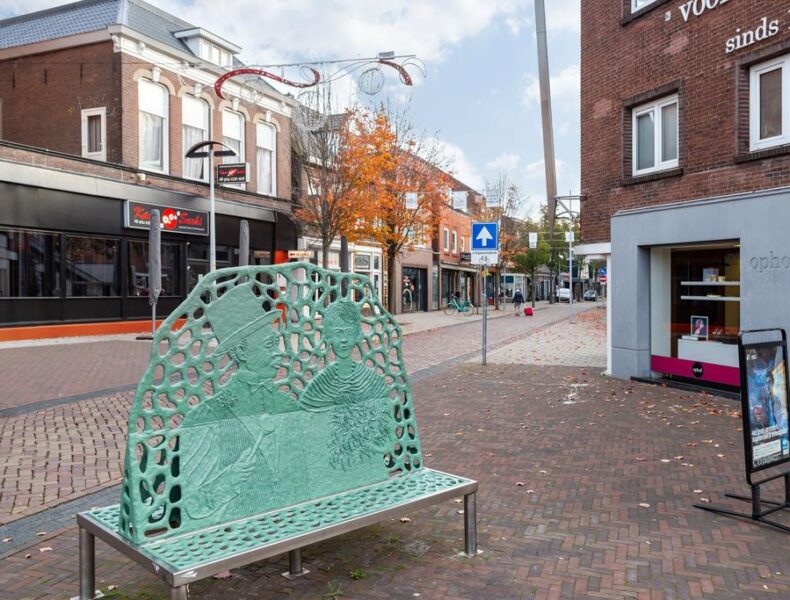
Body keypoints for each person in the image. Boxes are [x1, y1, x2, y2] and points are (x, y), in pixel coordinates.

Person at [179, 283, 301, 526]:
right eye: (269, 345)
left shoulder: (287, 405)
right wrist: (227, 481)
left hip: (293, 517)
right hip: (233, 528)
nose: (279, 353)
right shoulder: (207, 417)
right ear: (243, 352)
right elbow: (191, 504)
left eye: (276, 344)